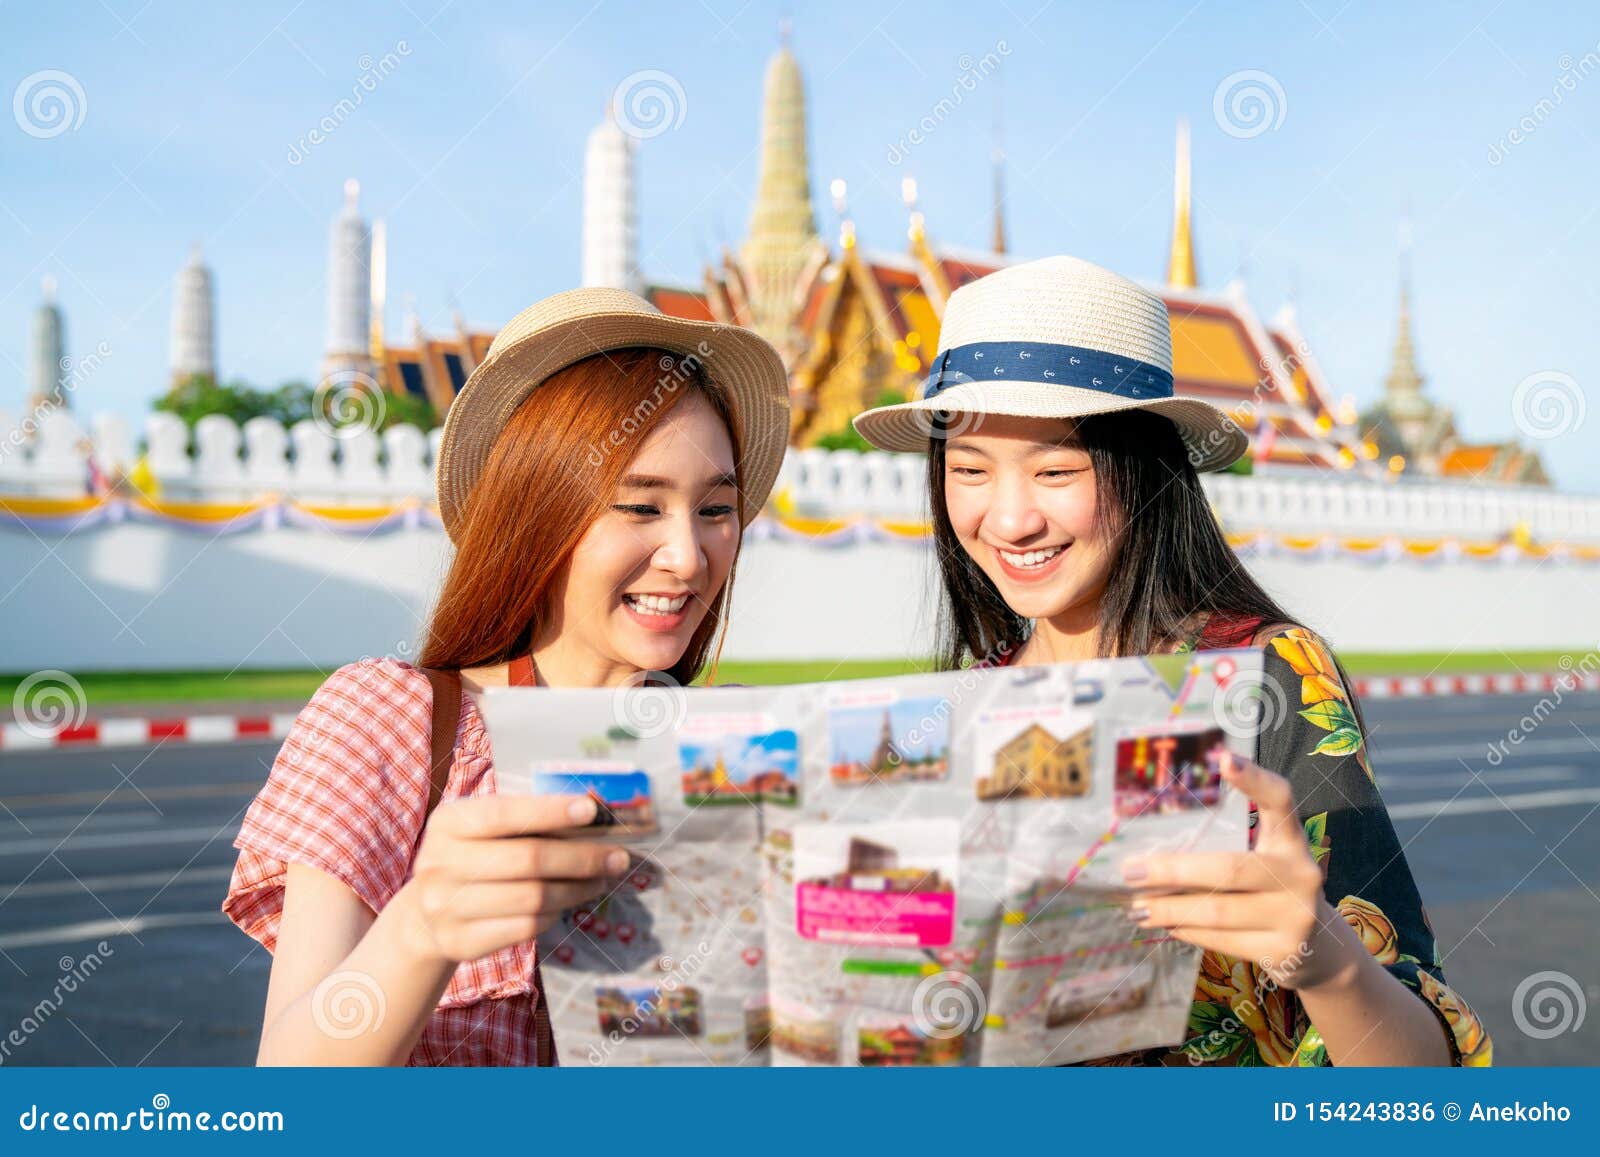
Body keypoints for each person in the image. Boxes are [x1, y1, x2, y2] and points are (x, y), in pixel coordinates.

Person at [853, 256, 1491, 1066]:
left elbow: (1420, 1090)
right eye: (970, 470)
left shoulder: (1268, 677)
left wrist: (1323, 956)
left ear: (1146, 471)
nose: (1008, 518)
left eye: (1055, 469)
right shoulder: (965, 708)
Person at [222, 287, 791, 1065]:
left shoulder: (726, 751)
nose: (689, 556)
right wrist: (425, 925)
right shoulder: (391, 719)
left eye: (716, 510)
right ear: (539, 512)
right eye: (639, 506)